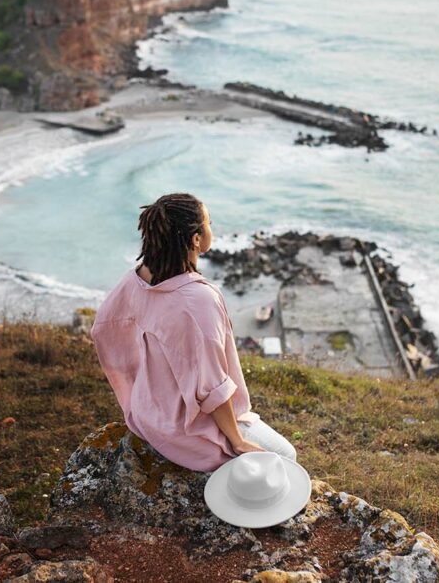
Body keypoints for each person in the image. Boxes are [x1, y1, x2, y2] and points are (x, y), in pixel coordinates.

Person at [90, 192, 297, 472]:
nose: (212, 227)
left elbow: (104, 330)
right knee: (286, 455)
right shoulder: (198, 301)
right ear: (196, 239)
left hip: (147, 414)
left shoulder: (135, 279)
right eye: (209, 222)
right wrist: (237, 441)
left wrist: (142, 384)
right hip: (185, 432)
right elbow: (212, 388)